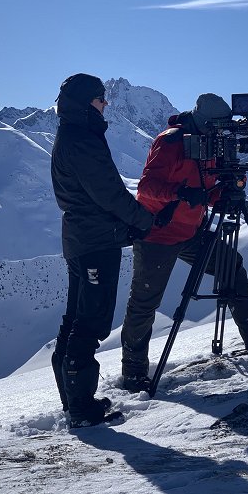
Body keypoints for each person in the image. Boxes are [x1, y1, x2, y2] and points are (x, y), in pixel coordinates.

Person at [120, 93, 248, 393]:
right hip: (158, 234)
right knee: (145, 302)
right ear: (205, 122)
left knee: (232, 264)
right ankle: (133, 373)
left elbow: (207, 189)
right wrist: (181, 194)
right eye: (219, 127)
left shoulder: (211, 144)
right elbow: (147, 188)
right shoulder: (172, 141)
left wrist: (226, 189)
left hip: (191, 230)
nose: (223, 133)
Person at [50, 73, 154, 427]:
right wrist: (144, 219)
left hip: (81, 239)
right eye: (100, 98)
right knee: (90, 321)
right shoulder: (83, 139)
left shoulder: (73, 133)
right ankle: (80, 408)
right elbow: (108, 192)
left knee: (76, 319)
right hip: (95, 241)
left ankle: (73, 401)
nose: (105, 103)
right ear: (85, 103)